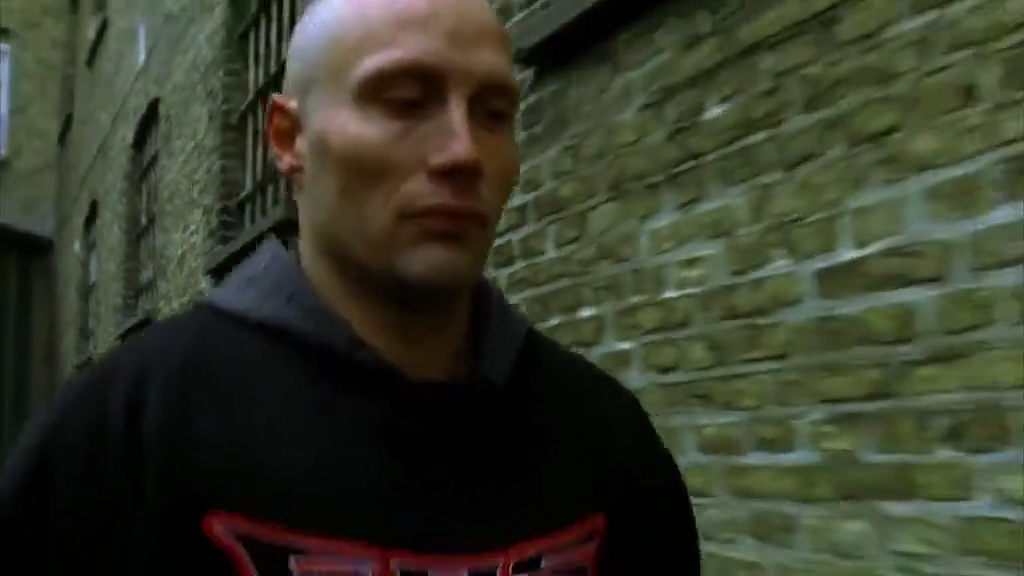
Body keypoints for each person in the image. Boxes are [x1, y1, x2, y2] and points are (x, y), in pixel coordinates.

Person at [0, 0, 701, 572]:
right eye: (406, 103)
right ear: (288, 139)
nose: (464, 153)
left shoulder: (606, 448)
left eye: (493, 114)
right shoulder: (118, 444)